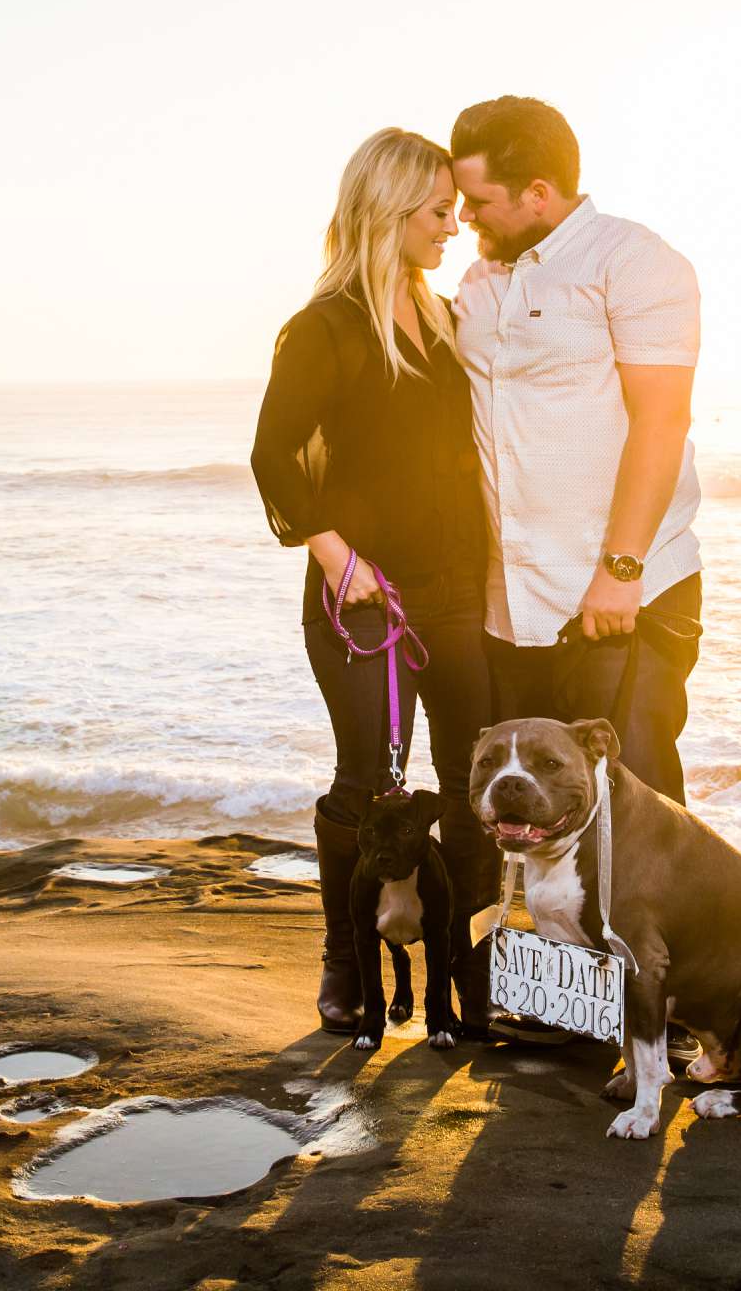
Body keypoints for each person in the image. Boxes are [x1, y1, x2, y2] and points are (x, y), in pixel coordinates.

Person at [251, 127, 499, 1037]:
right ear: (391, 211)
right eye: (438, 212)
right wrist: (335, 555)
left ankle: (474, 969)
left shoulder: (441, 319)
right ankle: (347, 961)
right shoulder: (325, 328)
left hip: (457, 591)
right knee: (365, 784)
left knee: (471, 785)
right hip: (363, 600)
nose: (453, 227)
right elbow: (272, 453)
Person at [450, 96, 705, 803]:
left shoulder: (634, 261)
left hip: (622, 592)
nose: (465, 216)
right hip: (512, 605)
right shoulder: (477, 282)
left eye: (478, 200)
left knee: (634, 804)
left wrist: (621, 569)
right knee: (535, 807)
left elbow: (662, 420)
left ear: (538, 193)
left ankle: (660, 921)